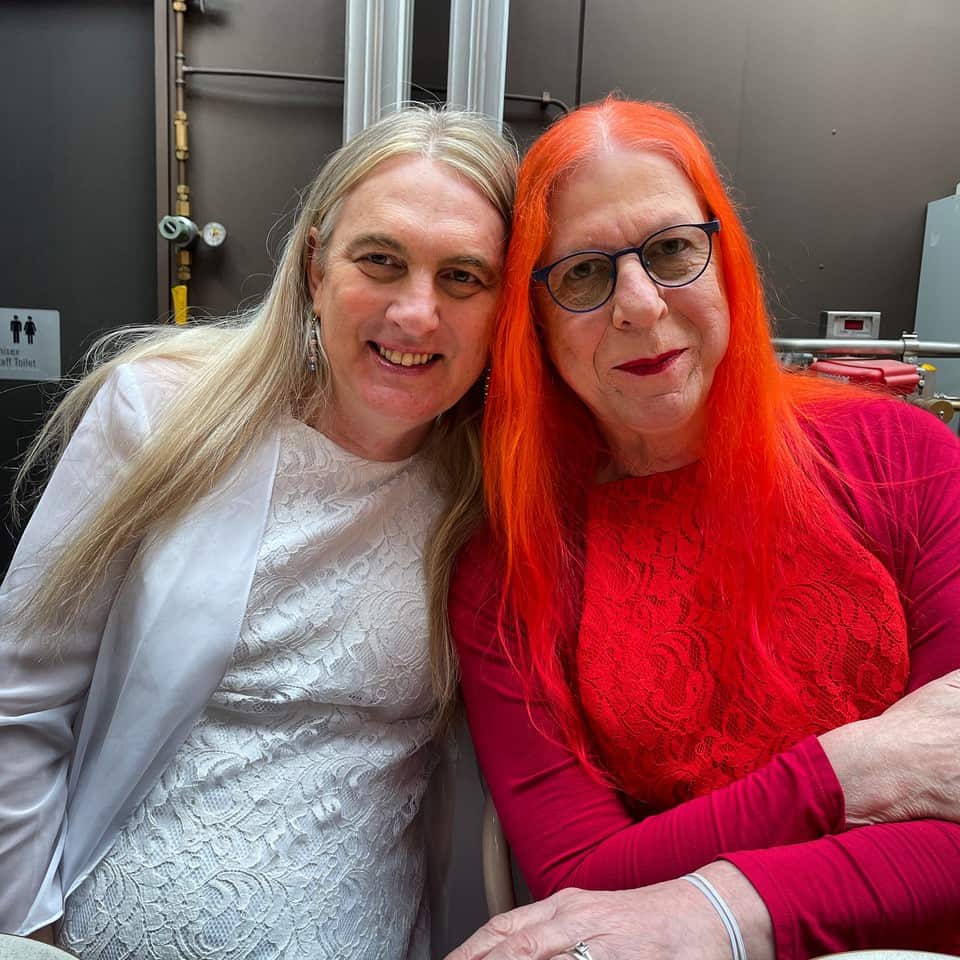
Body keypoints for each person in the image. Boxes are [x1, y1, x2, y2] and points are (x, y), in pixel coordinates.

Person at [447, 98, 960, 960]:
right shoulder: (509, 563)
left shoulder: (899, 456)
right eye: (581, 274)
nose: (641, 308)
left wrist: (721, 905)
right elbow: (578, 869)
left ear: (726, 260)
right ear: (530, 320)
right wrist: (851, 773)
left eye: (673, 250)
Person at [0, 105, 517, 960]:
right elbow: (18, 703)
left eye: (464, 277)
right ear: (316, 266)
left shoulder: (486, 494)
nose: (417, 313)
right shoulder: (162, 412)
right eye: (380, 260)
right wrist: (27, 932)